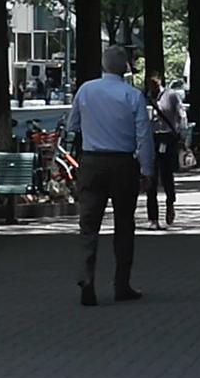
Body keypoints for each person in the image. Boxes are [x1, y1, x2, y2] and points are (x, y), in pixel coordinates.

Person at [68, 45, 154, 306]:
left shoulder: (86, 90)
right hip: (122, 165)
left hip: (91, 162)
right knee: (124, 225)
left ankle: (87, 278)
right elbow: (144, 136)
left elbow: (73, 125)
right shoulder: (133, 96)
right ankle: (121, 284)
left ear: (104, 65)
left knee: (88, 224)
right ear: (126, 67)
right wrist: (148, 171)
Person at [146, 71, 187, 229]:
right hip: (152, 139)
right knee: (151, 176)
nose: (152, 87)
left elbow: (181, 115)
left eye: (154, 84)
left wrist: (182, 134)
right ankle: (153, 218)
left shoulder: (171, 96)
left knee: (167, 174)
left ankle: (170, 203)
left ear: (159, 82)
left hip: (168, 138)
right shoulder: (145, 98)